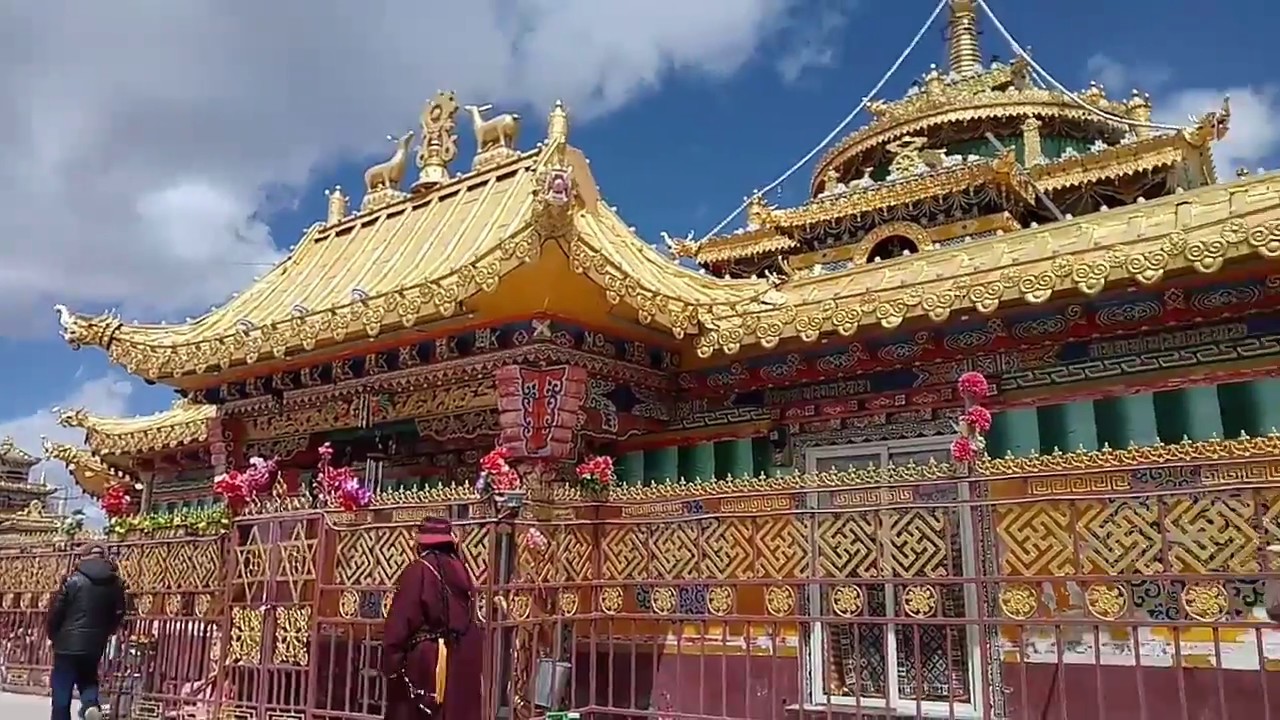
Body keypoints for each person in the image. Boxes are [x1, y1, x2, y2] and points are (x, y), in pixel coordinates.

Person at [382, 518, 483, 720]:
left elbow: (400, 621)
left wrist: (391, 662)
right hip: (462, 657)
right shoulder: (462, 570)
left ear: (420, 544)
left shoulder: (418, 570)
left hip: (428, 662)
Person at [47, 543, 128, 720]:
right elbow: (119, 612)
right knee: (88, 677)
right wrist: (107, 631)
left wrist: (53, 634)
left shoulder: (72, 580)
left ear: (83, 557)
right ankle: (91, 705)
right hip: (95, 643)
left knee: (62, 686)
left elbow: (57, 611)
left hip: (67, 643)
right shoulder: (115, 583)